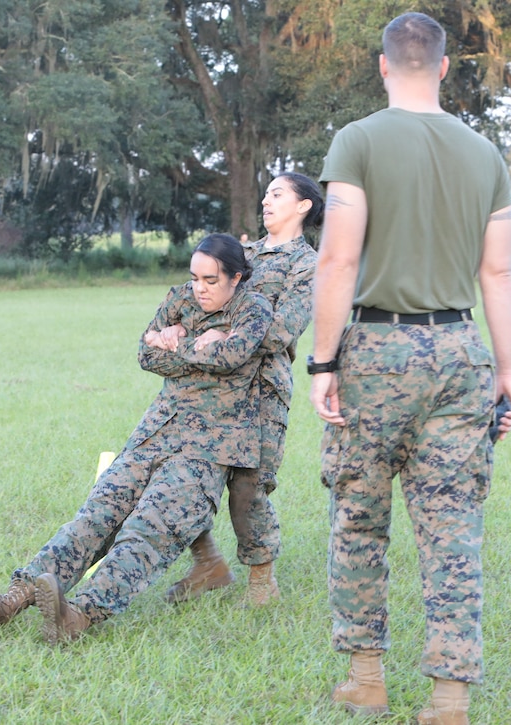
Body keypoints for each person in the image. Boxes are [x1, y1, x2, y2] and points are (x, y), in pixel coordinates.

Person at [308, 13, 511, 725]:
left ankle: (366, 677)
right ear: (444, 65)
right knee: (453, 528)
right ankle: (449, 698)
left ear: (381, 66)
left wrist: (322, 359)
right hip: (461, 351)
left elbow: (338, 258)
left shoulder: (358, 140)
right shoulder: (485, 152)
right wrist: (507, 370)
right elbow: (498, 273)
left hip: (375, 350)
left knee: (360, 518)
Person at [0, 234, 274, 643]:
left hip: (208, 449)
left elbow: (231, 357)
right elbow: (147, 354)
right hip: (154, 435)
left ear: (236, 278)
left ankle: (77, 616)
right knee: (94, 516)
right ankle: (10, 601)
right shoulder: (180, 299)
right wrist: (196, 343)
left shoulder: (254, 309)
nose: (199, 288)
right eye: (195, 277)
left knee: (148, 530)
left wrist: (179, 342)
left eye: (211, 280)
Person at [155, 172, 322, 606]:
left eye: (277, 194)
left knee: (250, 483)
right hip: (209, 381)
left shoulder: (308, 265)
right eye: (264, 192)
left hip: (263, 386)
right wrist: (177, 325)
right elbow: (195, 301)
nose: (266, 200)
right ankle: (207, 562)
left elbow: (281, 331)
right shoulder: (240, 252)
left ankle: (261, 581)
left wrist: (223, 338)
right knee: (187, 471)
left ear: (303, 206)